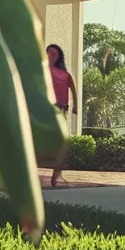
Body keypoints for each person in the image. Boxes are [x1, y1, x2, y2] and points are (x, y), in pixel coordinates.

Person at [46, 44, 79, 187]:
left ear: (59, 56)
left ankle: (56, 176)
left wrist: (76, 105)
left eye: (54, 53)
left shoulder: (65, 74)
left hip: (62, 110)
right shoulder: (43, 70)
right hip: (47, 109)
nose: (51, 55)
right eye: (49, 52)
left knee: (63, 143)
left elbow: (73, 89)